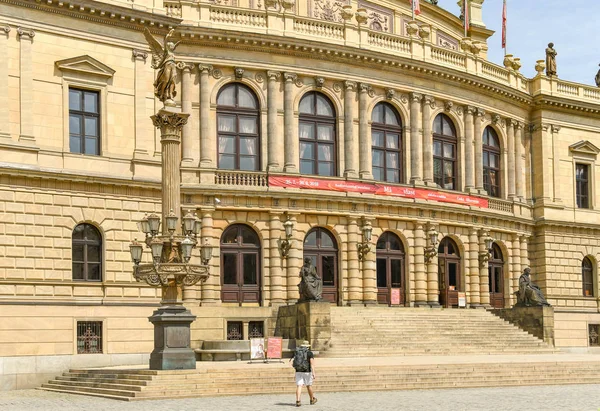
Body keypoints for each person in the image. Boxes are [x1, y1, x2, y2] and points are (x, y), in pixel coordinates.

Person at [291, 340, 317, 407]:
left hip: (298, 371)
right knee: (309, 385)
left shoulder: (297, 352)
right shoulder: (310, 353)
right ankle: (312, 399)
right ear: (308, 346)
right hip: (307, 371)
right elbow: (312, 364)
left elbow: (293, 362)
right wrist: (314, 372)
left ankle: (298, 401)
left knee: (299, 386)